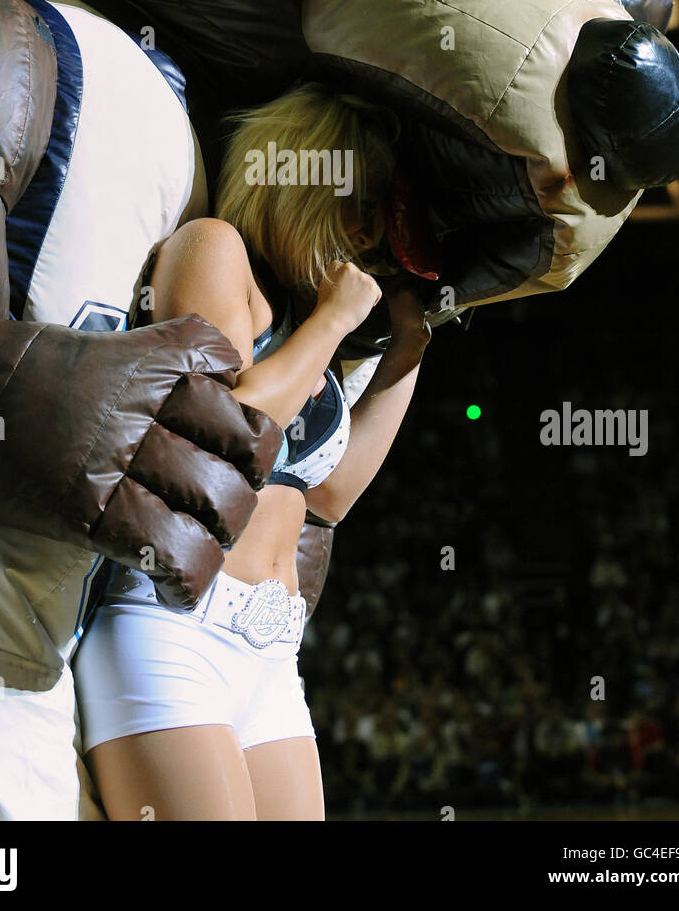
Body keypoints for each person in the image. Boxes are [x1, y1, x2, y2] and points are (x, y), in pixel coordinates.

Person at [72, 82, 432, 820]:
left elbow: (329, 497)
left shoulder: (307, 317)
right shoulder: (213, 245)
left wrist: (409, 347)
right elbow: (228, 426)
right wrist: (333, 323)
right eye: (357, 208)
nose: (365, 238)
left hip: (270, 651)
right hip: (173, 627)